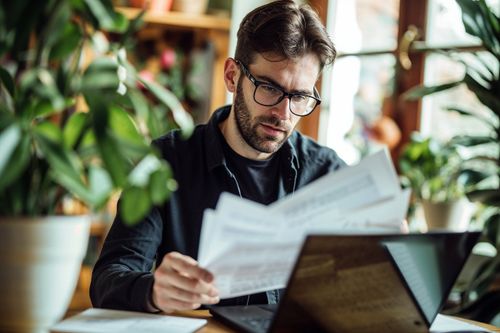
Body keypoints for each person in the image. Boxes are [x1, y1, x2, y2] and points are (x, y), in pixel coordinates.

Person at [90, 0, 345, 313]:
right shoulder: (167, 161)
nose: (283, 113)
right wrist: (154, 291)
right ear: (231, 76)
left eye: (301, 96)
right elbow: (107, 281)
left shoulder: (327, 172)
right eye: (268, 88)